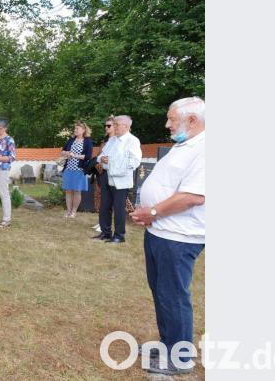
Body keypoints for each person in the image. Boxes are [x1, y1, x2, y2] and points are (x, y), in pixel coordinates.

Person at [130, 97, 205, 376]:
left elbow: (192, 196)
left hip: (179, 236)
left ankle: (181, 357)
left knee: (173, 295)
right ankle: (167, 344)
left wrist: (151, 211)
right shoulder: (184, 145)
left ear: (193, 120)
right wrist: (150, 215)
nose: (167, 124)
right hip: (160, 231)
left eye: (172, 119)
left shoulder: (206, 148)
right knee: (161, 292)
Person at [93, 115, 142, 243]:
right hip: (107, 176)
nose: (114, 127)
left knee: (119, 207)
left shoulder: (132, 141)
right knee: (105, 206)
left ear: (126, 126)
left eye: (116, 125)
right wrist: (101, 159)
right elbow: (101, 156)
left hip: (121, 179)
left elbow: (135, 161)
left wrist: (116, 163)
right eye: (113, 125)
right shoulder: (112, 140)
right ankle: (105, 233)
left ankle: (119, 235)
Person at [60, 121, 94, 218]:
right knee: (68, 190)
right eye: (74, 128)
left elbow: (88, 156)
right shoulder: (71, 140)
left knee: (77, 191)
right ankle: (68, 211)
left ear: (83, 130)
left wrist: (75, 155)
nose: (75, 130)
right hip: (68, 169)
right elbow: (62, 151)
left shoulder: (87, 141)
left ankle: (74, 211)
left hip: (79, 169)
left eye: (77, 128)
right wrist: (66, 153)